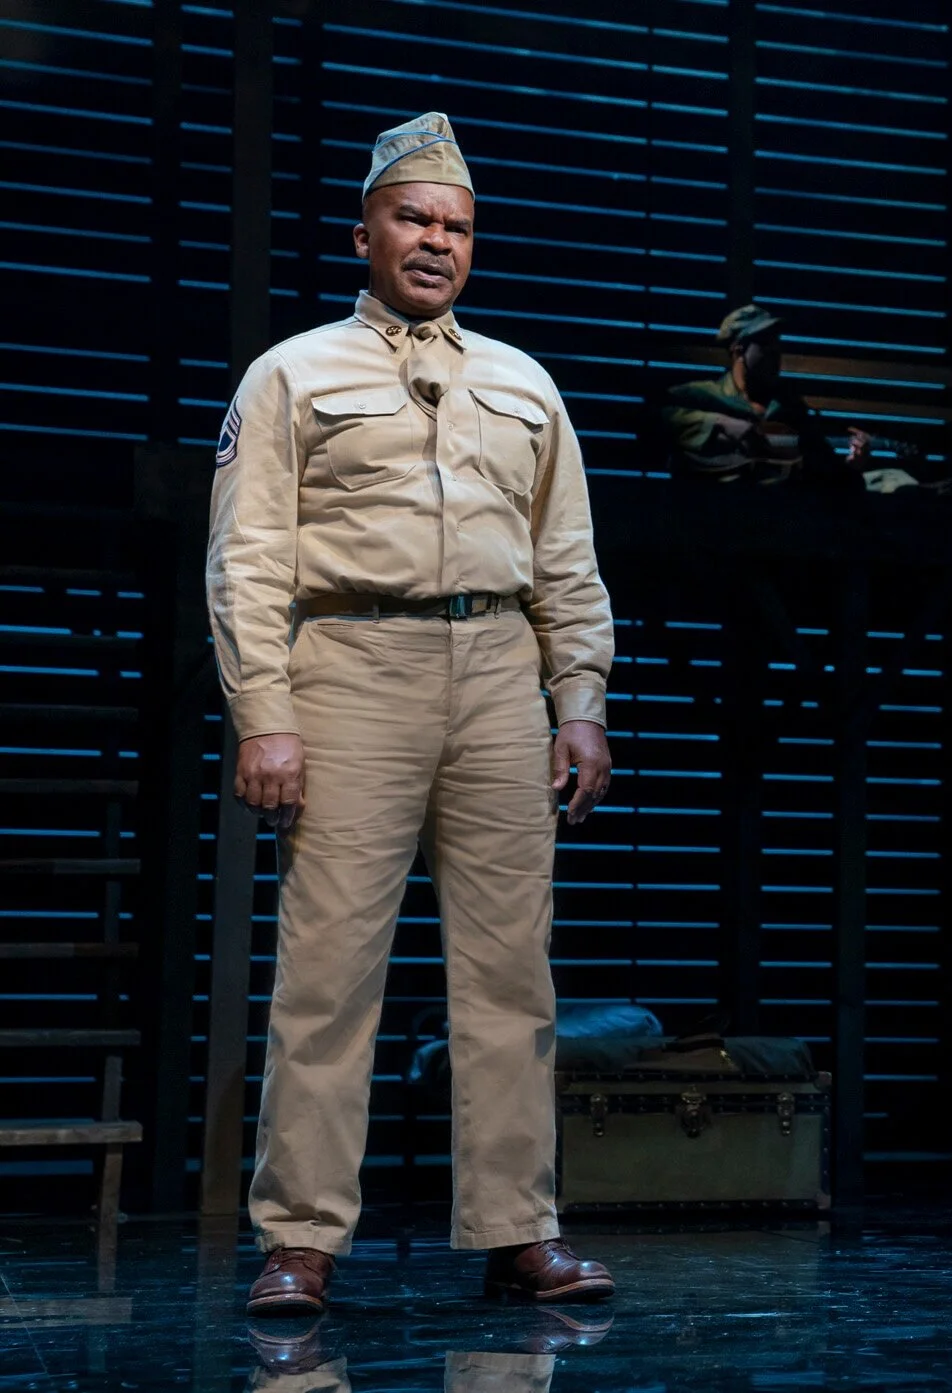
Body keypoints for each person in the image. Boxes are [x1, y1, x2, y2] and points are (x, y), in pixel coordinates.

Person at [208, 113, 618, 1315]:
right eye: (414, 219)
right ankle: (300, 1238)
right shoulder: (292, 373)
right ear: (365, 234)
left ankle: (520, 1230)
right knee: (329, 971)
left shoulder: (524, 382)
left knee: (512, 973)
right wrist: (264, 713)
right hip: (351, 664)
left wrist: (579, 702)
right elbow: (247, 559)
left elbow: (568, 562)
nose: (437, 241)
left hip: (495, 670)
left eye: (457, 226)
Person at [661, 304, 878, 488]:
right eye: (765, 344)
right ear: (739, 349)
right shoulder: (704, 396)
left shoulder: (789, 407)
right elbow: (657, 418)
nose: (775, 354)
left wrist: (852, 466)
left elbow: (822, 467)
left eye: (777, 345)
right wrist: (722, 424)